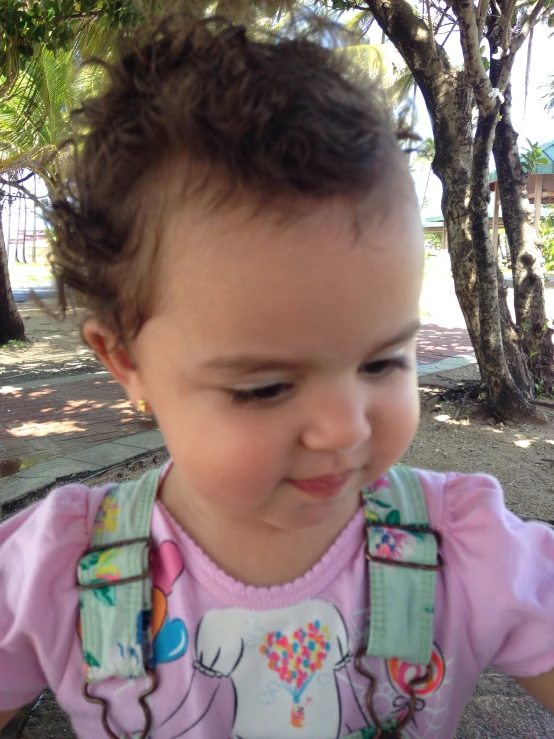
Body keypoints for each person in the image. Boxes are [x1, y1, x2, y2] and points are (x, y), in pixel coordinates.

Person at [0, 14, 553, 739]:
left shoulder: (465, 553)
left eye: (383, 360)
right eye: (264, 386)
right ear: (126, 360)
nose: (344, 426)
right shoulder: (54, 576)